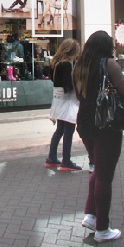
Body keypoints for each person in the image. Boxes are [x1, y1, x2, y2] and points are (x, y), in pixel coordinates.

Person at [73, 30, 124, 243]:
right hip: (106, 122)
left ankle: (91, 214)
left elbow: (79, 95)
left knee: (98, 167)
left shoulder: (79, 66)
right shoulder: (109, 64)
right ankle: (102, 229)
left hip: (85, 121)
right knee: (105, 176)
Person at [45, 39, 82, 171]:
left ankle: (52, 157)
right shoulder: (67, 64)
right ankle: (66, 160)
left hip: (58, 99)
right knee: (69, 131)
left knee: (60, 130)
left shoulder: (55, 63)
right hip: (68, 101)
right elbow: (68, 86)